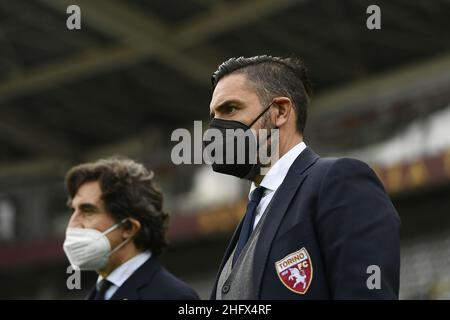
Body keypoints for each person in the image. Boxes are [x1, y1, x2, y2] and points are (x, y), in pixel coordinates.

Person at [205, 55, 401, 299]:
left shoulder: (338, 181)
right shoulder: (251, 217)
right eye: (213, 115)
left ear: (280, 111)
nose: (215, 128)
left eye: (230, 109)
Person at [63, 156, 199, 300]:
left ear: (129, 227)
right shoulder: (96, 295)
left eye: (87, 211)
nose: (72, 224)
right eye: (74, 210)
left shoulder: (174, 296)